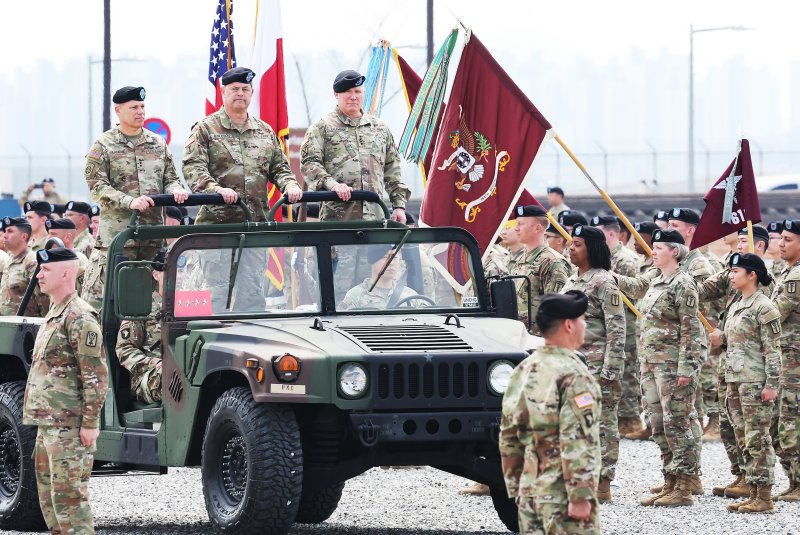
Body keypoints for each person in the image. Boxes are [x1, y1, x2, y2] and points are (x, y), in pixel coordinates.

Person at [182, 67, 302, 310]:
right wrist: (215, 190)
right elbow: (193, 168)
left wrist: (290, 185)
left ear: (252, 93)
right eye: (234, 89)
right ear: (223, 92)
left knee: (252, 297)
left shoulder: (264, 131)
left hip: (254, 226)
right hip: (218, 228)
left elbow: (280, 168)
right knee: (217, 299)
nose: (240, 93)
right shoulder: (206, 129)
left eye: (245, 89)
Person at [500, 291, 601, 535]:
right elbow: (577, 438)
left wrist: (516, 487)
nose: (584, 325)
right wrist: (579, 495)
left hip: (530, 492)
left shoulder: (524, 368)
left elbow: (508, 433)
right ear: (569, 325)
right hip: (562, 496)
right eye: (582, 320)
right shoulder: (574, 374)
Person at [22, 247, 107, 535]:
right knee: (52, 507)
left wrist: (91, 424)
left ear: (66, 273)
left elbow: (95, 375)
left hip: (69, 427)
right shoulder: (54, 314)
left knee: (71, 505)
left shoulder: (80, 316)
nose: (40, 275)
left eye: (46, 270)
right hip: (48, 425)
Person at [83, 85, 188, 312]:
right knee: (110, 304)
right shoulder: (103, 145)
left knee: (150, 304)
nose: (140, 111)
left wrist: (176, 190)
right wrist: (128, 201)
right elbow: (97, 185)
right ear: (118, 110)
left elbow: (170, 178)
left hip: (152, 236)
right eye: (134, 107)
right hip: (119, 239)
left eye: (142, 106)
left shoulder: (157, 143)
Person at [622, 229, 705, 507]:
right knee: (658, 423)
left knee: (677, 424)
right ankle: (670, 479)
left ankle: (684, 485)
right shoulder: (657, 282)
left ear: (675, 252)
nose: (653, 252)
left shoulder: (683, 284)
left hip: (673, 366)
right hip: (652, 364)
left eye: (659, 248)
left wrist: (686, 369)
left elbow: (691, 330)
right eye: (653, 247)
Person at [709, 253, 781, 513]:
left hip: (755, 381)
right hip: (735, 378)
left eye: (736, 271)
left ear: (752, 275)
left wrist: (772, 383)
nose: (730, 275)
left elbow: (773, 349)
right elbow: (736, 339)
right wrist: (721, 337)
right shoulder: (738, 304)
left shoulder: (765, 307)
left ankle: (765, 496)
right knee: (743, 437)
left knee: (758, 438)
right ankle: (752, 491)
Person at [562, 224, 625, 502]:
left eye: (577, 244)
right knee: (574, 423)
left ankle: (603, 482)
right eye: (570, 243)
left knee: (602, 424)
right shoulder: (572, 280)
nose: (570, 248)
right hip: (573, 365)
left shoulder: (603, 281)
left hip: (598, 366)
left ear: (592, 248)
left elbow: (617, 326)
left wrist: (612, 368)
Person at [301, 69, 410, 223]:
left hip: (376, 220)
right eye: (347, 91)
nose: (353, 97)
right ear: (336, 94)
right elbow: (309, 164)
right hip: (338, 221)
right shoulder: (321, 128)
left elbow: (393, 170)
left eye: (357, 91)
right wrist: (333, 186)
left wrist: (399, 206)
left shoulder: (379, 128)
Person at [668, 207, 719, 439]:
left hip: (695, 330)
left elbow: (703, 302)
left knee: (700, 382)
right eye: (668, 224)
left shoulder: (698, 264)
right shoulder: (672, 260)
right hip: (673, 333)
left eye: (674, 226)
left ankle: (710, 423)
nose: (669, 229)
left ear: (690, 231)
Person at [592, 215, 642, 437]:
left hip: (626, 324)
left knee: (628, 371)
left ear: (611, 234)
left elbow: (632, 293)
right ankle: (622, 417)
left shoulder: (625, 260)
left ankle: (630, 419)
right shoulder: (607, 257)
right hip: (608, 322)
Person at [769, 219, 800, 501]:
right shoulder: (788, 272)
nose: (781, 244)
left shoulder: (796, 277)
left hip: (794, 362)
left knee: (791, 420)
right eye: (781, 239)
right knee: (783, 420)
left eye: (788, 239)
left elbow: (774, 314)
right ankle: (794, 480)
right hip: (785, 359)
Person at [509, 205, 571, 334]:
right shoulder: (519, 259)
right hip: (518, 338)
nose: (516, 228)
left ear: (538, 228)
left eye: (521, 224)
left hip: (539, 341)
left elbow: (558, 312)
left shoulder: (552, 261)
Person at [116, 251, 166, 404]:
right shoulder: (143, 306)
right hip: (150, 375)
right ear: (156, 275)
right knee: (171, 376)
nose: (179, 276)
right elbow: (124, 349)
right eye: (171, 270)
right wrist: (154, 363)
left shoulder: (194, 306)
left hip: (185, 371)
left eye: (182, 270)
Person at [340, 245, 418, 310]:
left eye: (394, 257)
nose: (391, 262)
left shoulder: (410, 296)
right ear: (373, 261)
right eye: (385, 257)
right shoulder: (355, 296)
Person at [0, 217, 48, 316]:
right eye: (5, 231)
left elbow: (44, 300)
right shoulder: (10, 259)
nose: (5, 236)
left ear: (24, 236)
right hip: (9, 326)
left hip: (26, 327)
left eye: (10, 231)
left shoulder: (32, 262)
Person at [46, 218, 89, 294]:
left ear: (67, 237)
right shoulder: (54, 259)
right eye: (48, 234)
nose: (48, 238)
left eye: (53, 234)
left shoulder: (77, 260)